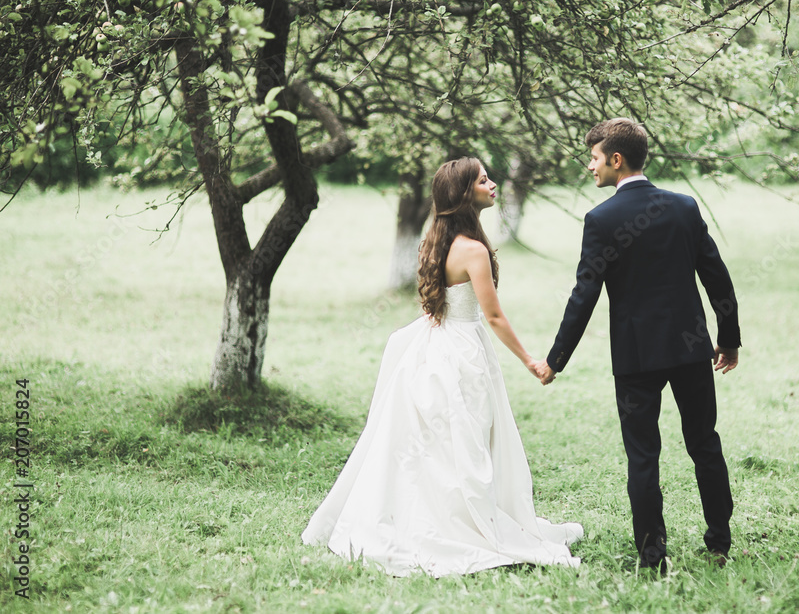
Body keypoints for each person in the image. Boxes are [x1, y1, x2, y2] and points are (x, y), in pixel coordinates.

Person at [302, 157, 583, 577]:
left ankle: (441, 514)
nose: (492, 184)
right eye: (483, 180)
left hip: (436, 345)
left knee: (441, 444)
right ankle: (462, 524)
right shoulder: (472, 250)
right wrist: (530, 361)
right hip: (464, 351)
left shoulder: (437, 240)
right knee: (465, 440)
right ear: (464, 193)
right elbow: (494, 316)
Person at [536, 118, 741, 570]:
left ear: (615, 159)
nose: (589, 166)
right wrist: (728, 339)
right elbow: (717, 277)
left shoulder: (601, 219)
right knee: (704, 442)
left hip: (636, 358)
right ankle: (719, 541)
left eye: (593, 157)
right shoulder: (684, 207)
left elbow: (583, 295)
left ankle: (652, 554)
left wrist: (556, 360)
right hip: (690, 350)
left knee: (643, 455)